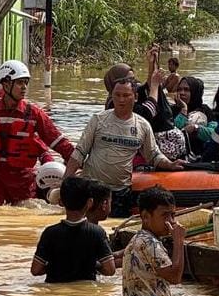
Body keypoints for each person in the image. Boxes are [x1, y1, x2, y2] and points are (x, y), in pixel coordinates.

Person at [65, 78, 184, 217]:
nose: (121, 100)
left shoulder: (143, 125)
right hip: (92, 187)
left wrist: (170, 164)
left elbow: (153, 155)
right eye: (117, 95)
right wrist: (65, 183)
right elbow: (79, 152)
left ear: (135, 97)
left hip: (121, 191)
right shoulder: (98, 120)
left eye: (126, 95)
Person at [0, 60, 74, 207]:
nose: (24, 87)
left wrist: (78, 161)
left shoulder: (34, 114)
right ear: (6, 84)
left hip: (22, 178)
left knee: (25, 212)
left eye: (26, 83)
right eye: (20, 83)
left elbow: (58, 142)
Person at [30, 176, 116, 283]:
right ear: (90, 202)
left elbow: (35, 270)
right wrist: (92, 264)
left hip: (55, 289)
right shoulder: (97, 232)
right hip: (85, 289)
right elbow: (110, 270)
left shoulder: (49, 233)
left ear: (61, 202)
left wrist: (56, 265)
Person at [121, 185, 186, 296]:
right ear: (146, 217)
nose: (171, 221)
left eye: (173, 215)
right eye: (165, 215)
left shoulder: (138, 239)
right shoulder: (150, 243)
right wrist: (179, 241)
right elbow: (175, 277)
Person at [174, 76, 215, 152]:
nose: (182, 93)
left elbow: (214, 133)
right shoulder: (172, 110)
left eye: (186, 90)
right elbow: (173, 135)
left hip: (200, 154)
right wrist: (183, 110)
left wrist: (195, 128)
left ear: (195, 92)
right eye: (179, 89)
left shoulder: (205, 110)